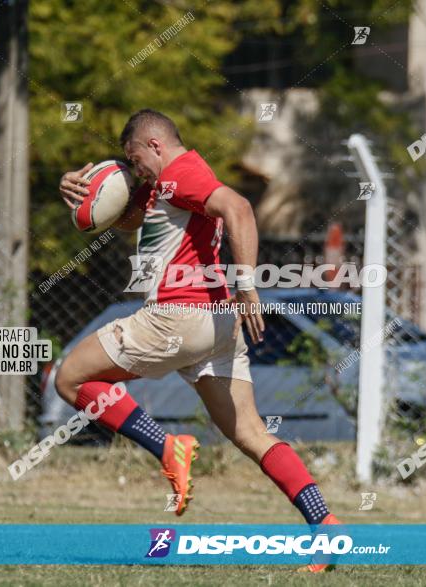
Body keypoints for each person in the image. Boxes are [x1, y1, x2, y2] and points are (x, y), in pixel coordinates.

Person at [56, 109, 338, 571]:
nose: (135, 172)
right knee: (251, 433)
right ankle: (324, 525)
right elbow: (124, 213)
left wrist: (248, 284)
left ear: (154, 146)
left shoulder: (181, 173)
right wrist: (77, 187)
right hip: (217, 325)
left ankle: (168, 447)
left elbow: (240, 207)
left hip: (177, 317)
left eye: (136, 160)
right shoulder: (169, 182)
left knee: (70, 378)